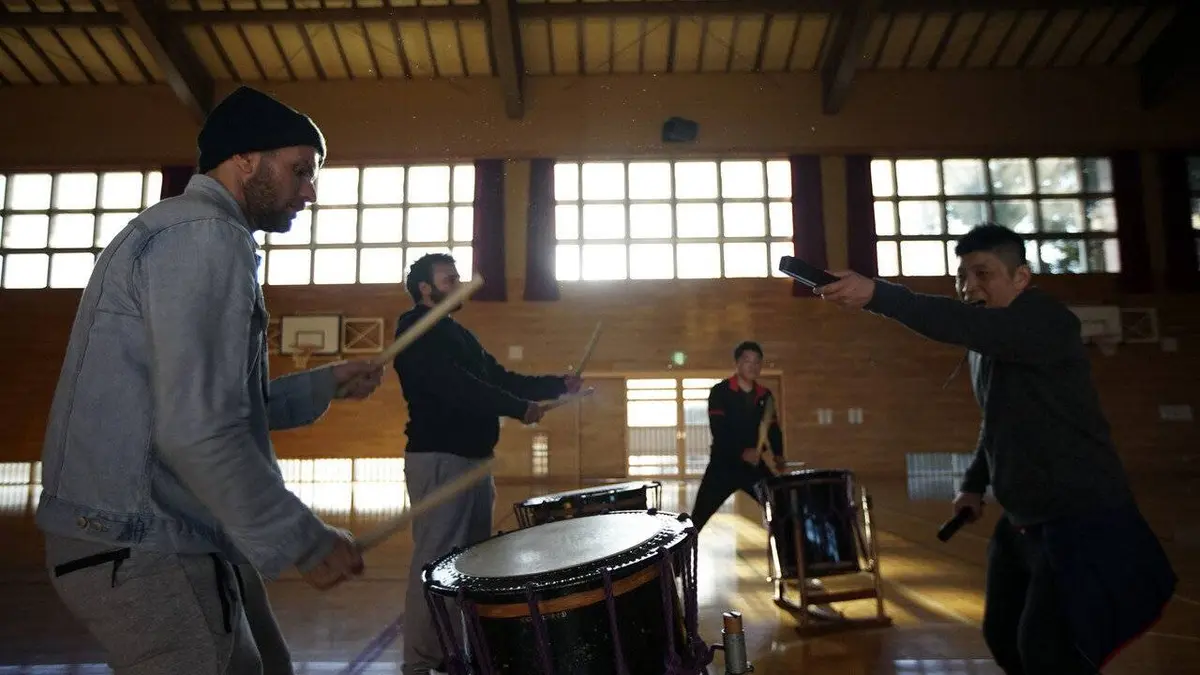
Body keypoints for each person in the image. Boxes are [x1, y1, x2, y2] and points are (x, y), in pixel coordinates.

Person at [35, 85, 385, 675]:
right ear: (245, 158)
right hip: (140, 541)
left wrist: (322, 385)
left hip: (166, 532)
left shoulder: (188, 231)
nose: (310, 191)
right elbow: (198, 427)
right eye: (299, 171)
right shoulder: (204, 236)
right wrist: (304, 536)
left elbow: (200, 404)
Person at [814, 223, 1176, 674]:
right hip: (1025, 518)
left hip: (1083, 517)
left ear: (1021, 278)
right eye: (962, 276)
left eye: (983, 273)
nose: (969, 287)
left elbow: (957, 321)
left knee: (1050, 651)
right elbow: (998, 422)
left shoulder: (1047, 321)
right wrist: (973, 484)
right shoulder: (989, 348)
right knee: (1002, 635)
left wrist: (878, 295)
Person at [393, 252, 583, 675]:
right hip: (440, 458)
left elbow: (497, 378)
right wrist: (519, 409)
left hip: (475, 461)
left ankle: (455, 652)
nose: (458, 283)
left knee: (467, 563)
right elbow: (457, 388)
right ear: (425, 288)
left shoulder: (460, 335)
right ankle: (422, 661)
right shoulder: (415, 328)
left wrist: (557, 384)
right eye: (449, 278)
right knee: (435, 560)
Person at [689, 341, 785, 534]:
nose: (753, 366)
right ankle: (675, 561)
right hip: (723, 466)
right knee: (697, 520)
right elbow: (719, 430)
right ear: (737, 363)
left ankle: (789, 557)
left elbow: (772, 428)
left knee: (781, 506)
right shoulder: (720, 392)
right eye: (747, 361)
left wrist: (778, 454)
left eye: (757, 362)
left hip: (753, 468)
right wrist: (741, 452)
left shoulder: (765, 396)